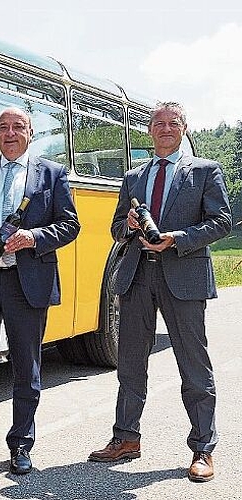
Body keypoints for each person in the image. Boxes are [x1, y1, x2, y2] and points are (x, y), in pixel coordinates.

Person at [88, 102, 231, 482]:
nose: (165, 129)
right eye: (158, 124)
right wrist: (128, 225)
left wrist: (178, 238)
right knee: (131, 363)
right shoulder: (135, 176)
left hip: (184, 275)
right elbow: (116, 227)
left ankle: (203, 447)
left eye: (172, 123)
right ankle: (126, 437)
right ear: (148, 130)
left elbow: (222, 222)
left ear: (183, 128)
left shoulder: (204, 171)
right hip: (137, 276)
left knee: (193, 364)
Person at [0, 107, 80, 475]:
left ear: (30, 133)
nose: (9, 133)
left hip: (28, 284)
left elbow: (70, 225)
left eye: (17, 127)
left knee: (27, 367)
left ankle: (21, 444)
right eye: (3, 127)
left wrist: (33, 237)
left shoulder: (52, 175)